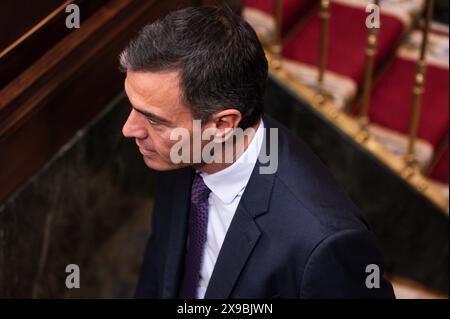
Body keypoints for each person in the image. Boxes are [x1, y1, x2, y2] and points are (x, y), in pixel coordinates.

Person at [120, 6, 395, 299]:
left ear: (222, 125)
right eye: (134, 108)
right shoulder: (180, 151)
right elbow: (161, 267)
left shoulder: (322, 242)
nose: (129, 129)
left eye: (153, 119)